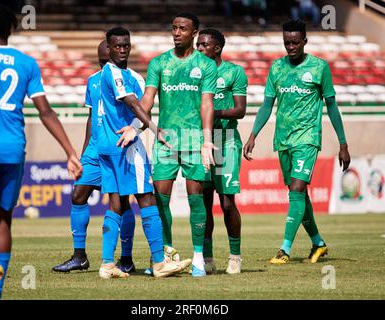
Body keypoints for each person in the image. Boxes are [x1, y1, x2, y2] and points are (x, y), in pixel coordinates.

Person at [0, 4, 82, 299]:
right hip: (15, 149)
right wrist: (70, 152)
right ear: (11, 29)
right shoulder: (26, 63)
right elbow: (46, 112)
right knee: (4, 220)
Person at [243, 19, 350, 264]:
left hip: (308, 138)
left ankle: (285, 249)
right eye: (286, 42)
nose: (290, 47)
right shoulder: (277, 68)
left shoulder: (320, 68)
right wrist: (253, 135)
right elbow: (267, 105)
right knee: (298, 194)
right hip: (283, 140)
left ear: (304, 41)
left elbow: (332, 106)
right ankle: (318, 243)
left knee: (297, 190)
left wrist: (343, 144)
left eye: (294, 42)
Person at [97, 27, 191, 279]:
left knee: (116, 203)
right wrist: (154, 128)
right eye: (116, 46)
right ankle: (160, 263)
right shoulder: (112, 72)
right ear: (108, 47)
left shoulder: (134, 77)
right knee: (147, 198)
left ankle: (107, 265)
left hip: (107, 146)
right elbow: (131, 102)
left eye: (125, 45)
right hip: (124, 145)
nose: (121, 49)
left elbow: (142, 104)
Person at [130, 12, 218, 277]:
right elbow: (146, 102)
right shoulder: (159, 63)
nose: (176, 32)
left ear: (194, 32)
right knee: (159, 198)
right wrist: (135, 128)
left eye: (182, 28)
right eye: (174, 28)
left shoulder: (206, 65)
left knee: (196, 199)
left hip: (194, 141)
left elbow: (206, 104)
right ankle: (165, 254)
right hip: (165, 141)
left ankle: (199, 257)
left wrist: (207, 140)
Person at [52, 40, 138, 274]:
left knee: (122, 203)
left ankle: (126, 258)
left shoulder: (127, 79)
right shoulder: (92, 81)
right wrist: (83, 151)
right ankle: (79, 256)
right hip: (93, 150)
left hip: (117, 147)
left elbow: (137, 111)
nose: (105, 66)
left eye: (106, 61)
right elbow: (92, 116)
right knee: (78, 194)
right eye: (101, 62)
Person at [196, 28, 247, 274]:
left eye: (204, 45)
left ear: (217, 48)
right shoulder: (193, 72)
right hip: (201, 141)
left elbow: (240, 110)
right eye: (198, 45)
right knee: (203, 204)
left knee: (227, 203)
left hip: (225, 140)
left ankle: (235, 256)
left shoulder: (234, 72)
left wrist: (212, 113)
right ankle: (207, 258)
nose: (199, 48)